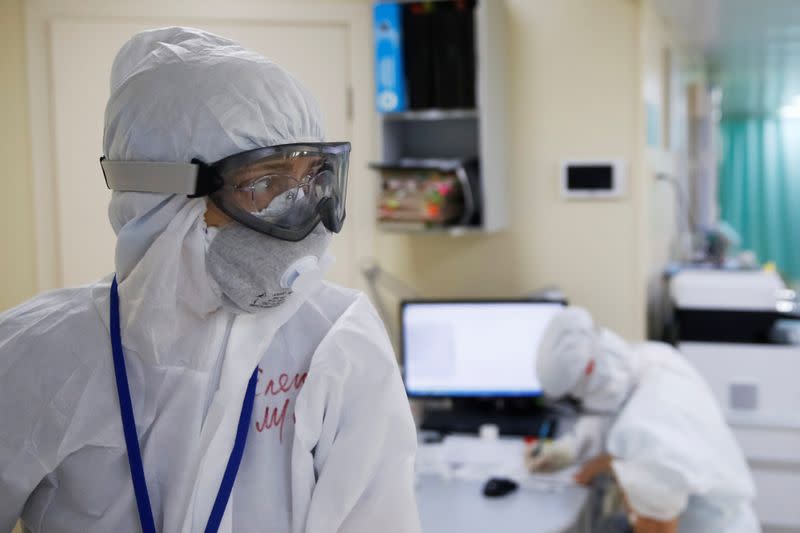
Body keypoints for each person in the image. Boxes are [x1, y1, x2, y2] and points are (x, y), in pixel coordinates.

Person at [0, 27, 421, 533]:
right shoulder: (38, 351)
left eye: (314, 179)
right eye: (265, 184)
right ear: (160, 199)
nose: (301, 215)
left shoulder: (335, 340)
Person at [528, 307, 760, 533]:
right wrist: (571, 449)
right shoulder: (651, 358)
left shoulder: (647, 434)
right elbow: (611, 411)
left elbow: (657, 526)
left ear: (588, 378)